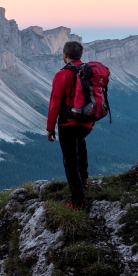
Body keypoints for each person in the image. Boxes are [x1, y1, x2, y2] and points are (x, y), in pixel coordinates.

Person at [47, 40, 93, 209]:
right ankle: (84, 179)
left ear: (65, 55)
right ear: (80, 55)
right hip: (87, 121)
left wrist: (50, 128)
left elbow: (55, 104)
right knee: (81, 144)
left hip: (68, 123)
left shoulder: (62, 74)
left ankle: (77, 201)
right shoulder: (88, 71)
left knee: (70, 161)